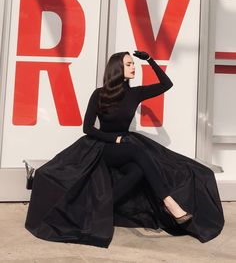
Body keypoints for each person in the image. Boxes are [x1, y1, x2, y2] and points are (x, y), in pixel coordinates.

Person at [25, 51, 224, 248]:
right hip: (102, 147)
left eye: (133, 64)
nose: (133, 67)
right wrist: (114, 138)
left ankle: (102, 208)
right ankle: (169, 202)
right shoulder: (100, 94)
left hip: (125, 145)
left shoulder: (135, 93)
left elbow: (166, 84)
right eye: (129, 64)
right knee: (138, 152)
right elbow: (87, 128)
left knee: (138, 170)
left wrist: (149, 60)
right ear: (117, 68)